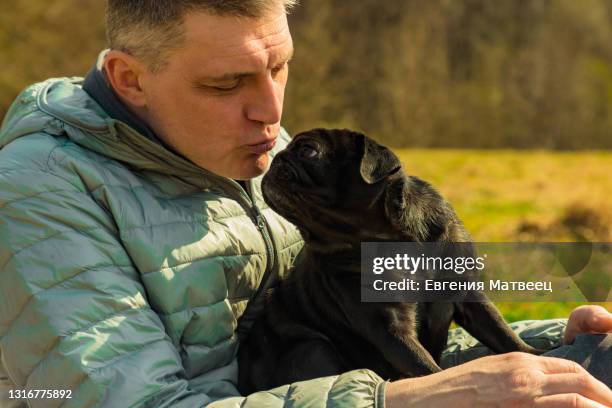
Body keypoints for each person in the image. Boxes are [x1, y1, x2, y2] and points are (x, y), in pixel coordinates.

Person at [0, 1, 610, 407]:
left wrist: (542, 345)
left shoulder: (263, 151)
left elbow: (377, 326)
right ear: (129, 78)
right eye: (225, 83)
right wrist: (407, 400)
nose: (271, 111)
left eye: (279, 67)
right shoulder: (40, 191)